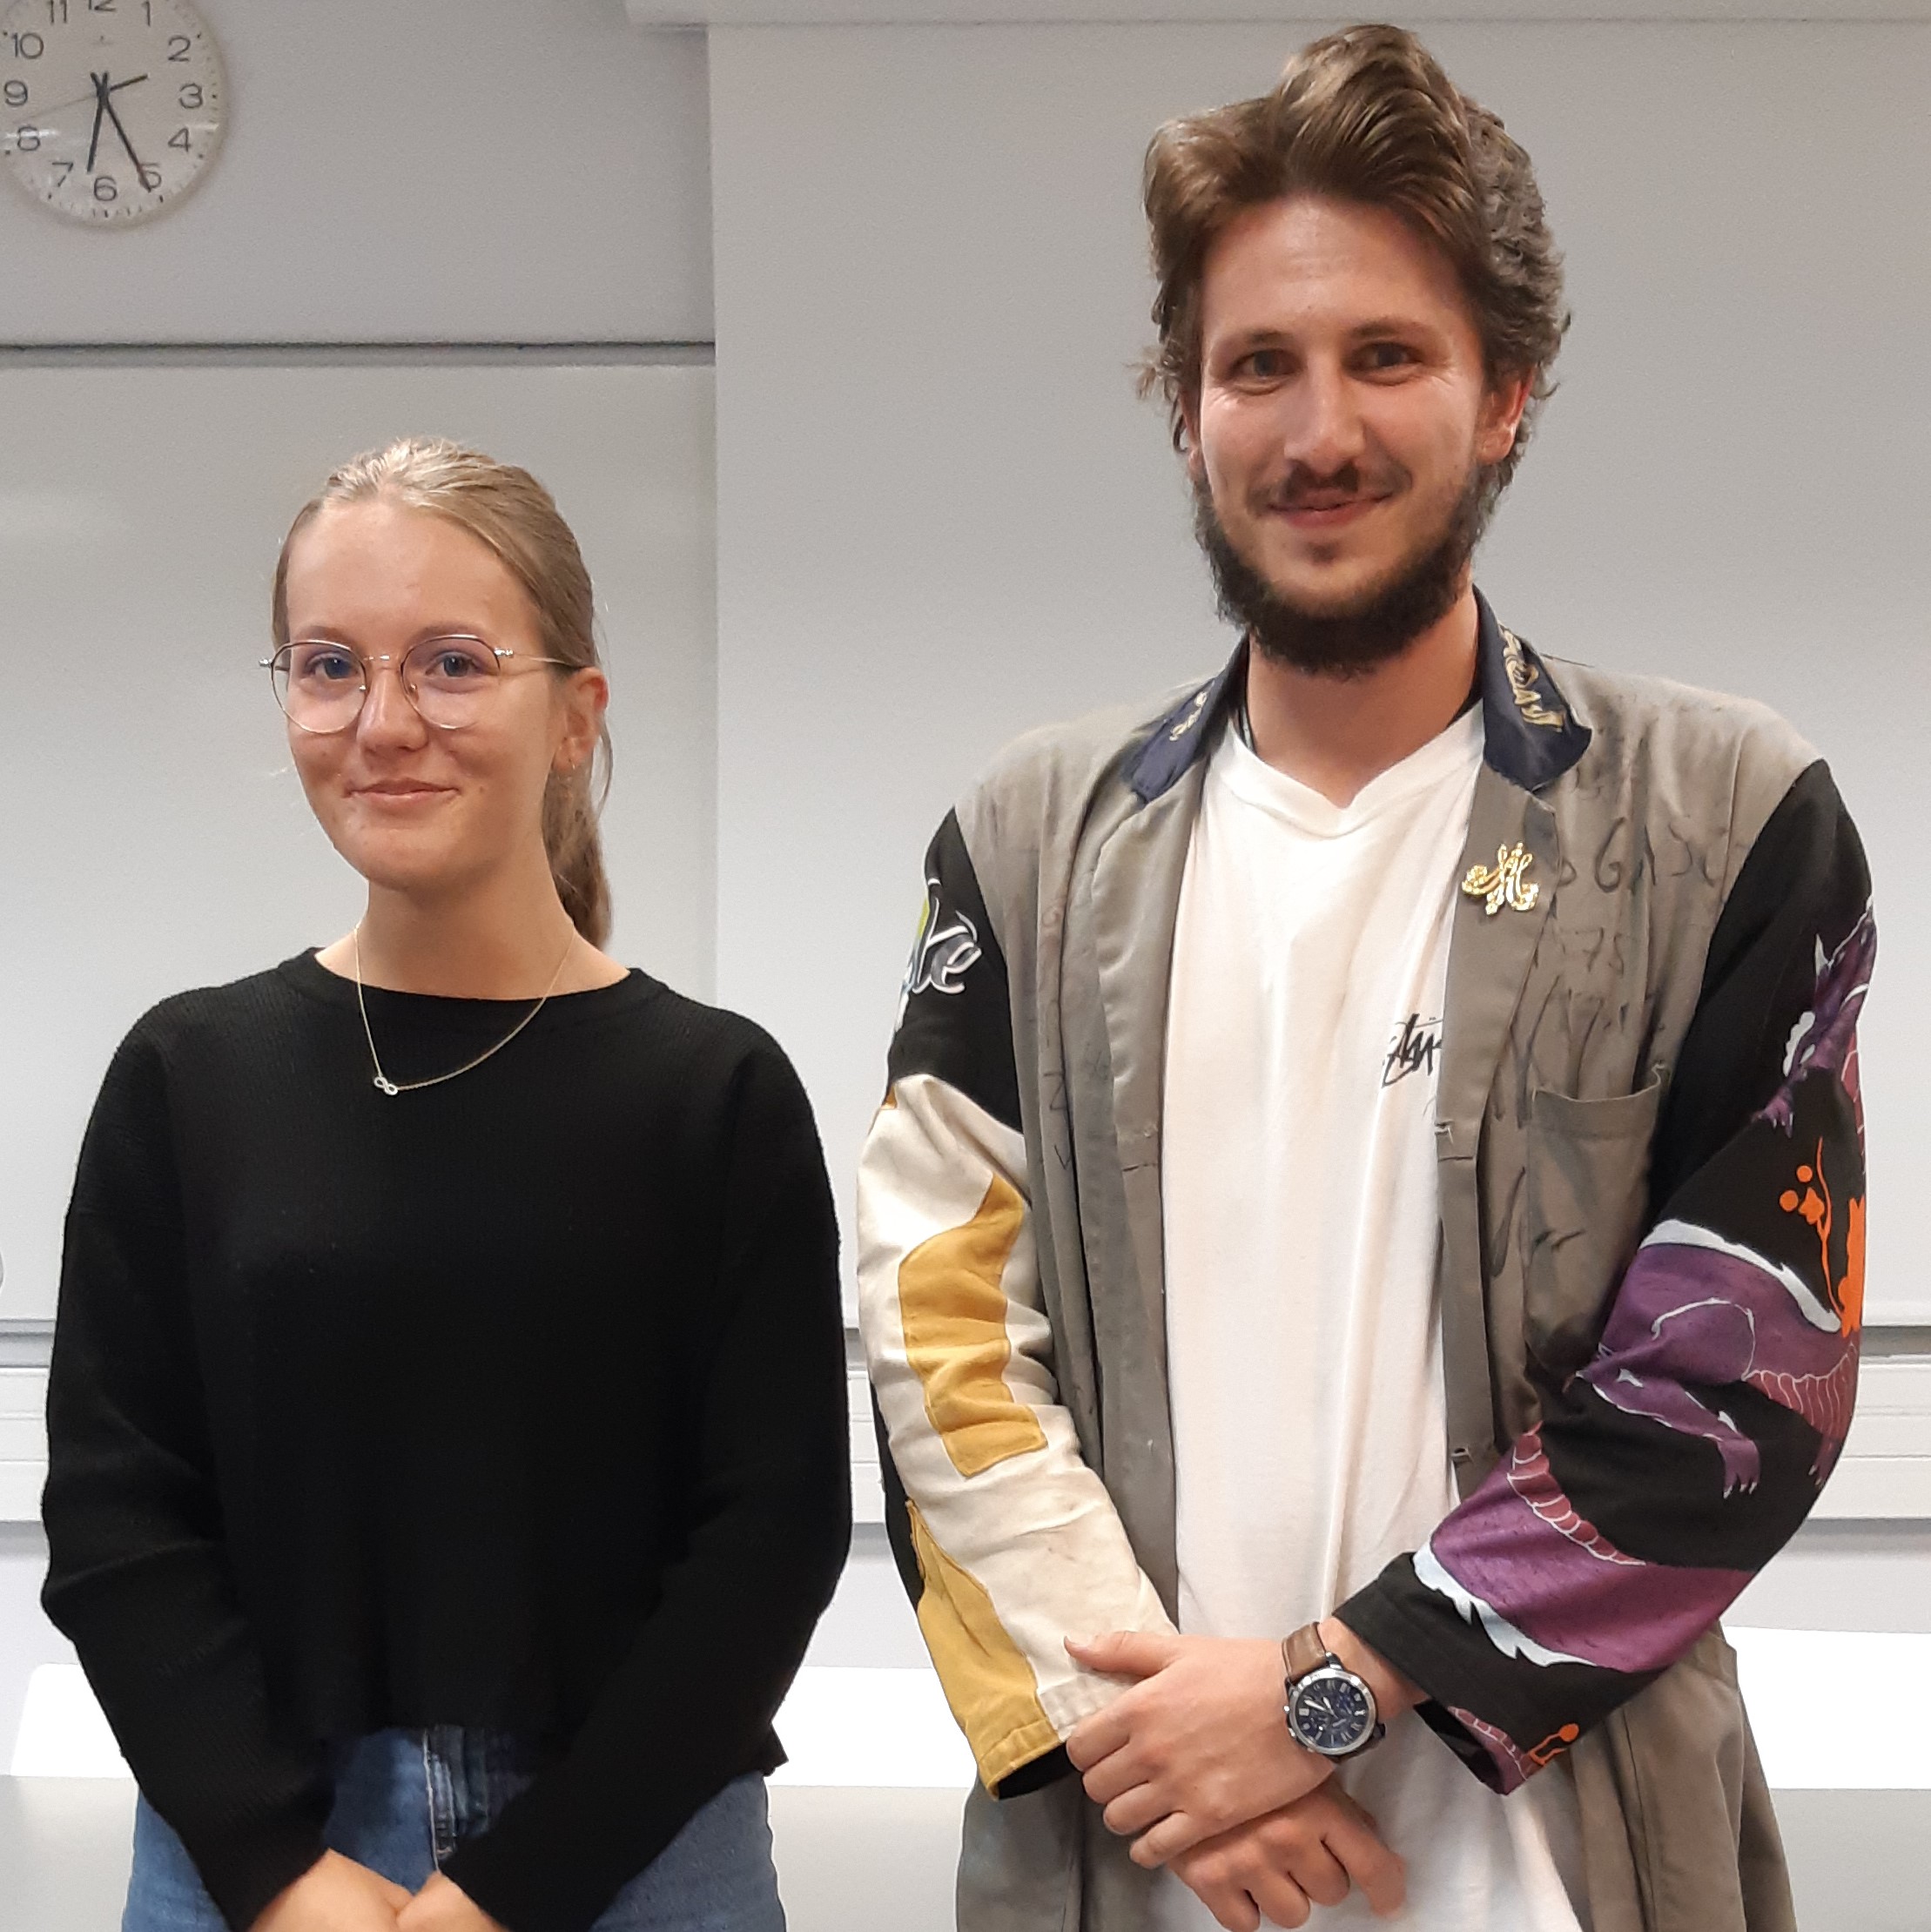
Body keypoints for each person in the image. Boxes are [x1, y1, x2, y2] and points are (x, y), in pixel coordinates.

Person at [856, 24, 1872, 1932]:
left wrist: (1332, 1687)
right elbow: (941, 1347)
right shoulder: (1021, 843)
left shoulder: (1726, 820)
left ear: (1504, 395)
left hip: (1572, 1882)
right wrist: (1162, 1752)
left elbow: (1738, 1375)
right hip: (1137, 1861)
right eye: (1257, 365)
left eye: (1384, 357)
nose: (1316, 430)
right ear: (1182, 409)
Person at [42, 438, 851, 1932]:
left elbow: (770, 1536)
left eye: (454, 664)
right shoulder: (188, 1078)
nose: (384, 722)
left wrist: (514, 1890)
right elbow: (116, 1513)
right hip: (259, 1855)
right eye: (329, 664)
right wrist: (278, 1868)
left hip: (634, 1851)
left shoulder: (712, 1096)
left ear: (573, 717)